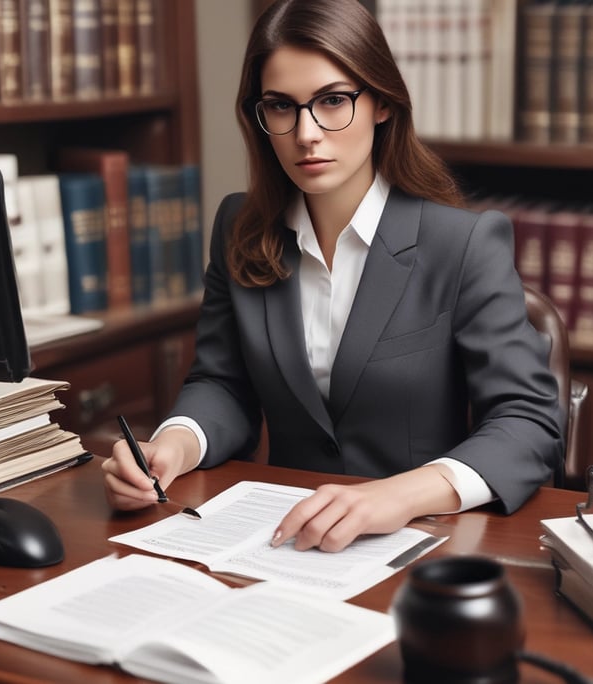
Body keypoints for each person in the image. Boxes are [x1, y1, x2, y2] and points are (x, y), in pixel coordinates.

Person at [102, 0, 564, 552]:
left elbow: (529, 422)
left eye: (333, 101)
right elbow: (221, 382)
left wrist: (401, 495)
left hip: (424, 543)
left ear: (383, 103)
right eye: (281, 107)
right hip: (283, 539)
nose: (306, 133)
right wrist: (174, 445)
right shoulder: (239, 227)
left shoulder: (463, 244)